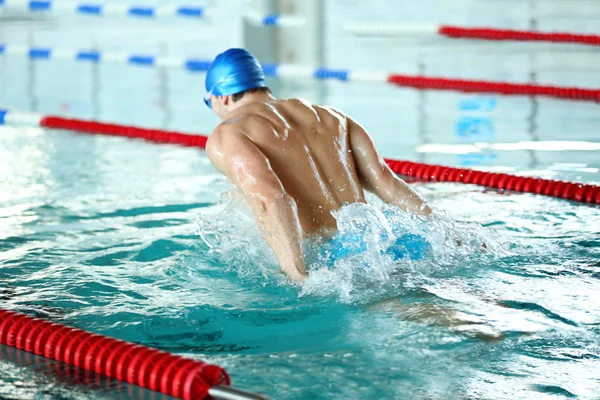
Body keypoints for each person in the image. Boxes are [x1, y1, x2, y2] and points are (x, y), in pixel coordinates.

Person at [204, 48, 431, 282]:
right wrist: (442, 230)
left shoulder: (228, 134)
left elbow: (271, 198)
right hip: (381, 246)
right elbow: (386, 181)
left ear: (223, 97)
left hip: (332, 264)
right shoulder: (333, 116)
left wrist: (296, 275)